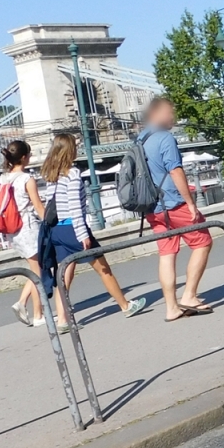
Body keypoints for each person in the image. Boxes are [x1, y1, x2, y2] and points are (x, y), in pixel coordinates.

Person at [37, 133, 147, 330]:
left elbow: (51, 206)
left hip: (57, 231)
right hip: (73, 229)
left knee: (64, 275)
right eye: (75, 146)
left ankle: (62, 320)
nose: (77, 149)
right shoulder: (72, 174)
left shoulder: (51, 175)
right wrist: (82, 234)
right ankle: (125, 305)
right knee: (104, 269)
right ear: (68, 150)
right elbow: (75, 207)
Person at [138, 98, 215, 323]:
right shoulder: (165, 138)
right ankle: (189, 295)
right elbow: (175, 171)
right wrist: (190, 202)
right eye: (171, 112)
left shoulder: (140, 139)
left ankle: (171, 308)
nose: (174, 117)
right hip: (173, 203)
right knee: (203, 242)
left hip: (152, 208)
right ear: (158, 113)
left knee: (167, 254)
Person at [0, 140, 49, 327]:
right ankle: (37, 314)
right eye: (28, 154)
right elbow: (37, 206)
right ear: (23, 157)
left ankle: (21, 303)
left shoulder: (4, 178)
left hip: (13, 230)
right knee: (38, 272)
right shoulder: (27, 179)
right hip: (28, 227)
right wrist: (50, 223)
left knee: (36, 269)